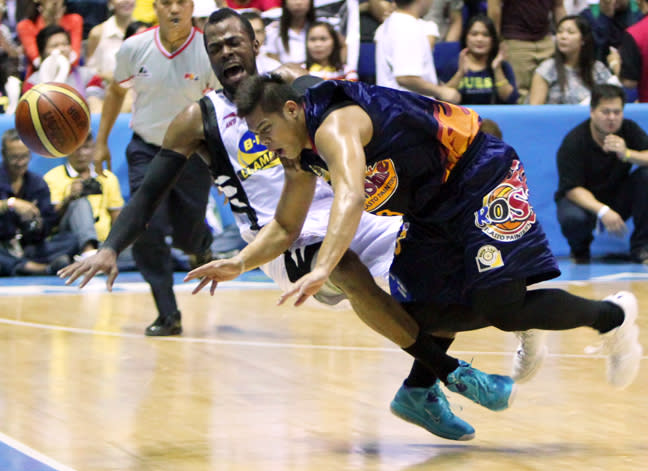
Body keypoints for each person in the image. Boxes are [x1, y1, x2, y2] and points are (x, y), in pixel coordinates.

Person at [58, 9, 547, 442]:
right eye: (215, 47)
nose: (226, 51)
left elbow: (368, 109)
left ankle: (421, 391)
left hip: (346, 212)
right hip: (278, 236)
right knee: (346, 267)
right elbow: (149, 192)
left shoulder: (295, 87)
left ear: (255, 45)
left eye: (234, 42)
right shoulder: (196, 118)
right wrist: (110, 247)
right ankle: (451, 373)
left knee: (434, 267)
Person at [218, 74, 643, 416]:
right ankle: (516, 313)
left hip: (479, 175)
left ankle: (612, 317)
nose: (263, 142)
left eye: (265, 130)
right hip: (429, 207)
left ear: (292, 110)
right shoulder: (298, 153)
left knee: (498, 305)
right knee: (418, 312)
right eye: (256, 135)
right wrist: (237, 263)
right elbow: (285, 225)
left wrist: (323, 267)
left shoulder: (333, 124)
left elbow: (350, 196)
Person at [91, 0, 220, 337]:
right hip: (146, 149)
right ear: (155, 8)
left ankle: (200, 244)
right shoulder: (134, 48)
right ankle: (167, 312)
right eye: (166, 2)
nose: (174, 9)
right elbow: (116, 94)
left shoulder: (209, 52)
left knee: (187, 236)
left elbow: (223, 110)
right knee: (146, 227)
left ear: (192, 6)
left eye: (181, 2)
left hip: (192, 153)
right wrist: (102, 141)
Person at [555, 83, 648, 264]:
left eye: (617, 112)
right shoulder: (574, 141)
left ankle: (642, 247)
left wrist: (628, 154)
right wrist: (603, 211)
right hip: (583, 201)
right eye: (605, 112)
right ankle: (580, 250)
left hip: (618, 196)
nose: (612, 118)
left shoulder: (628, 130)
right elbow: (572, 189)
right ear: (592, 111)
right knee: (572, 218)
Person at [0, 129, 78, 276]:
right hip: (2, 245)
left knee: (71, 240)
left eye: (24, 157)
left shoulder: (37, 184)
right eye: (14, 158)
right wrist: (10, 204)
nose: (20, 163)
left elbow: (48, 224)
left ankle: (22, 265)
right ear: (4, 155)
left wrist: (38, 223)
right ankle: (40, 269)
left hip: (28, 247)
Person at [44, 131, 124, 259]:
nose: (81, 154)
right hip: (69, 239)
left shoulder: (107, 177)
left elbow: (116, 216)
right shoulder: (52, 177)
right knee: (79, 202)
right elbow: (50, 220)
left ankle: (91, 259)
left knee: (140, 253)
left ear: (93, 149)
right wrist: (69, 198)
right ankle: (88, 251)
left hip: (105, 242)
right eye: (76, 149)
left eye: (85, 148)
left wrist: (117, 244)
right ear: (67, 151)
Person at [375, 0, 460, 103]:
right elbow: (405, 77)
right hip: (407, 110)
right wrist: (441, 92)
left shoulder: (387, 24)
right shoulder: (408, 27)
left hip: (394, 107)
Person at [529, 15, 620, 105]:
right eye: (560, 32)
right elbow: (535, 109)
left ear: (583, 39)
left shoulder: (597, 69)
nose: (563, 36)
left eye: (570, 32)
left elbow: (614, 99)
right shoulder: (547, 69)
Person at [488, 0, 565, 99]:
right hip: (515, 41)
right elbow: (495, 7)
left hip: (546, 40)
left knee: (552, 92)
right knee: (519, 95)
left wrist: (564, 33)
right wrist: (496, 41)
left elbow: (559, 6)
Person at [22, 25, 105, 113]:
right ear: (42, 53)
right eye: (54, 46)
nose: (62, 49)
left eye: (65, 44)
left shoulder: (89, 76)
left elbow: (96, 105)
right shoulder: (32, 83)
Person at [445, 14, 519, 105]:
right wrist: (460, 74)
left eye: (486, 35)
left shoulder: (502, 66)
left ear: (493, 40)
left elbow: (510, 99)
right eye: (474, 34)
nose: (479, 39)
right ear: (466, 38)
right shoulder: (454, 65)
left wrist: (497, 69)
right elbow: (443, 100)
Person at [16, 0, 83, 80]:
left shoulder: (75, 20)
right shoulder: (25, 26)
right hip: (39, 78)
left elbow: (74, 58)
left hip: (71, 76)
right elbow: (37, 61)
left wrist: (57, 22)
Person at [86, 0, 135, 86]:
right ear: (110, 3)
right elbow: (89, 72)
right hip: (106, 92)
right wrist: (105, 76)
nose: (126, 1)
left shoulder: (145, 30)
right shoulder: (98, 33)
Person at [240, 10, 281, 74]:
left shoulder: (275, 67)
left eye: (258, 32)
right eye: (249, 32)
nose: (255, 37)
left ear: (264, 34)